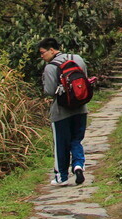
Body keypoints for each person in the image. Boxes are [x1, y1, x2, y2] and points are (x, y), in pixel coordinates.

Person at [38, 38, 88, 186]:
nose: (42, 56)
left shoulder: (50, 67)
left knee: (61, 144)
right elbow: (83, 80)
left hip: (61, 111)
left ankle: (62, 177)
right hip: (81, 108)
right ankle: (78, 165)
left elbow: (49, 91)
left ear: (52, 50)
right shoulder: (77, 59)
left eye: (43, 53)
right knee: (76, 139)